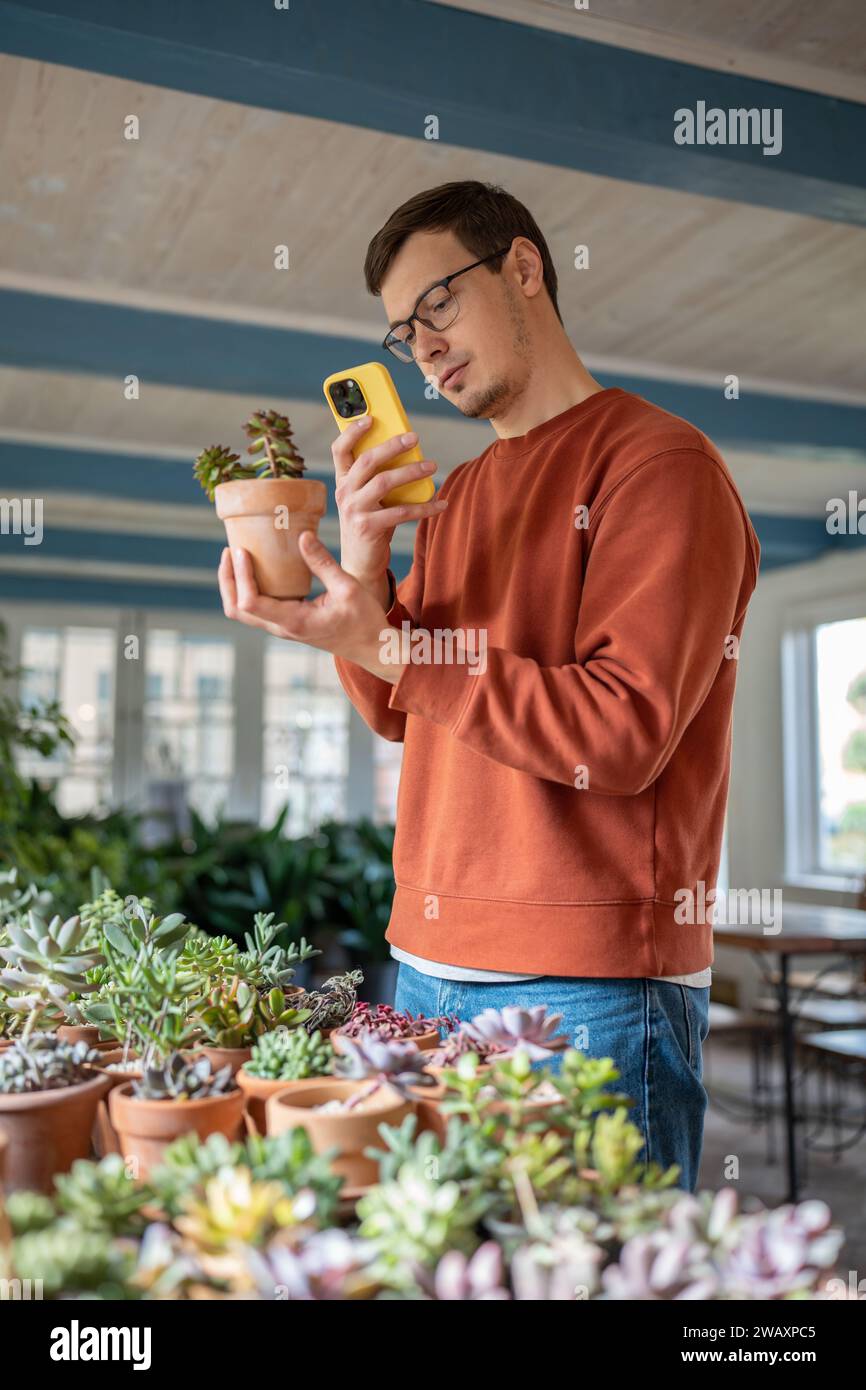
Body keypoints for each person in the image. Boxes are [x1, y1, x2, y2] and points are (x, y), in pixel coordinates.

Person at [218, 180, 760, 1191]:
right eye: (398, 334)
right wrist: (370, 571)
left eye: (436, 305)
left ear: (522, 269)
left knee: (588, 1270)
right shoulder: (456, 493)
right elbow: (395, 707)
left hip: (591, 986)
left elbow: (621, 729)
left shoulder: (658, 466)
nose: (420, 348)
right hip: (426, 960)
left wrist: (392, 648)